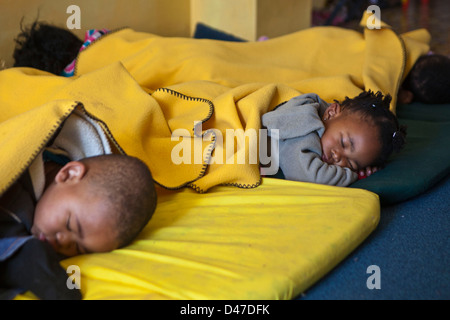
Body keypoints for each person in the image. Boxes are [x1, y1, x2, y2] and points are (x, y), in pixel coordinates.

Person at [0, 153, 157, 300]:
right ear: (68, 174)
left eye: (78, 248)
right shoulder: (19, 178)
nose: (64, 243)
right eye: (70, 225)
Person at [262, 90, 406, 186]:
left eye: (350, 163)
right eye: (343, 143)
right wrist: (354, 174)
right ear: (330, 112)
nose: (337, 157)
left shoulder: (329, 124)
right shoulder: (304, 125)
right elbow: (310, 177)